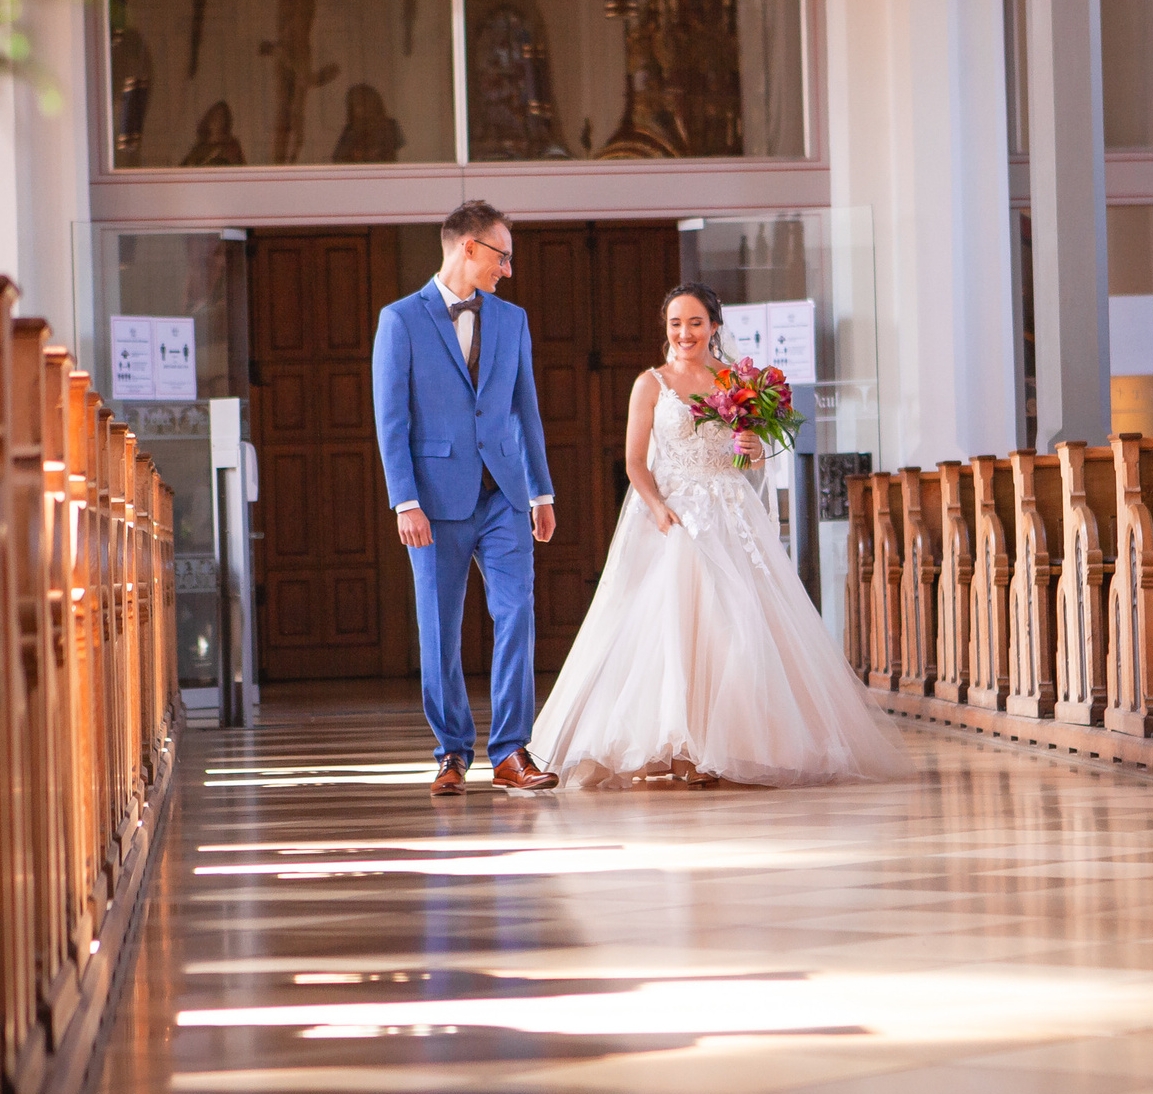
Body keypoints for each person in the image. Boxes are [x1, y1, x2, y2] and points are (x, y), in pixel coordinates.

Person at [529, 284, 913, 789]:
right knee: (675, 626)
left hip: (731, 513)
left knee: (739, 626)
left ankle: (728, 745)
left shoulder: (736, 382)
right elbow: (633, 462)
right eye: (675, 323)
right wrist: (659, 507)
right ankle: (678, 746)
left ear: (713, 325)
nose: (684, 333)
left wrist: (753, 448)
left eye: (694, 322)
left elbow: (749, 457)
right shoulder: (651, 383)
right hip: (676, 517)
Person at [372, 202, 559, 795]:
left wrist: (541, 491)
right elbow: (391, 420)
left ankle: (510, 751)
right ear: (469, 248)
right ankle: (452, 752)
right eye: (503, 256)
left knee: (517, 615)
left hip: (505, 494)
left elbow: (525, 410)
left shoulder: (514, 319)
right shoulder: (399, 320)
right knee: (440, 628)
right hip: (433, 501)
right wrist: (405, 502)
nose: (509, 269)